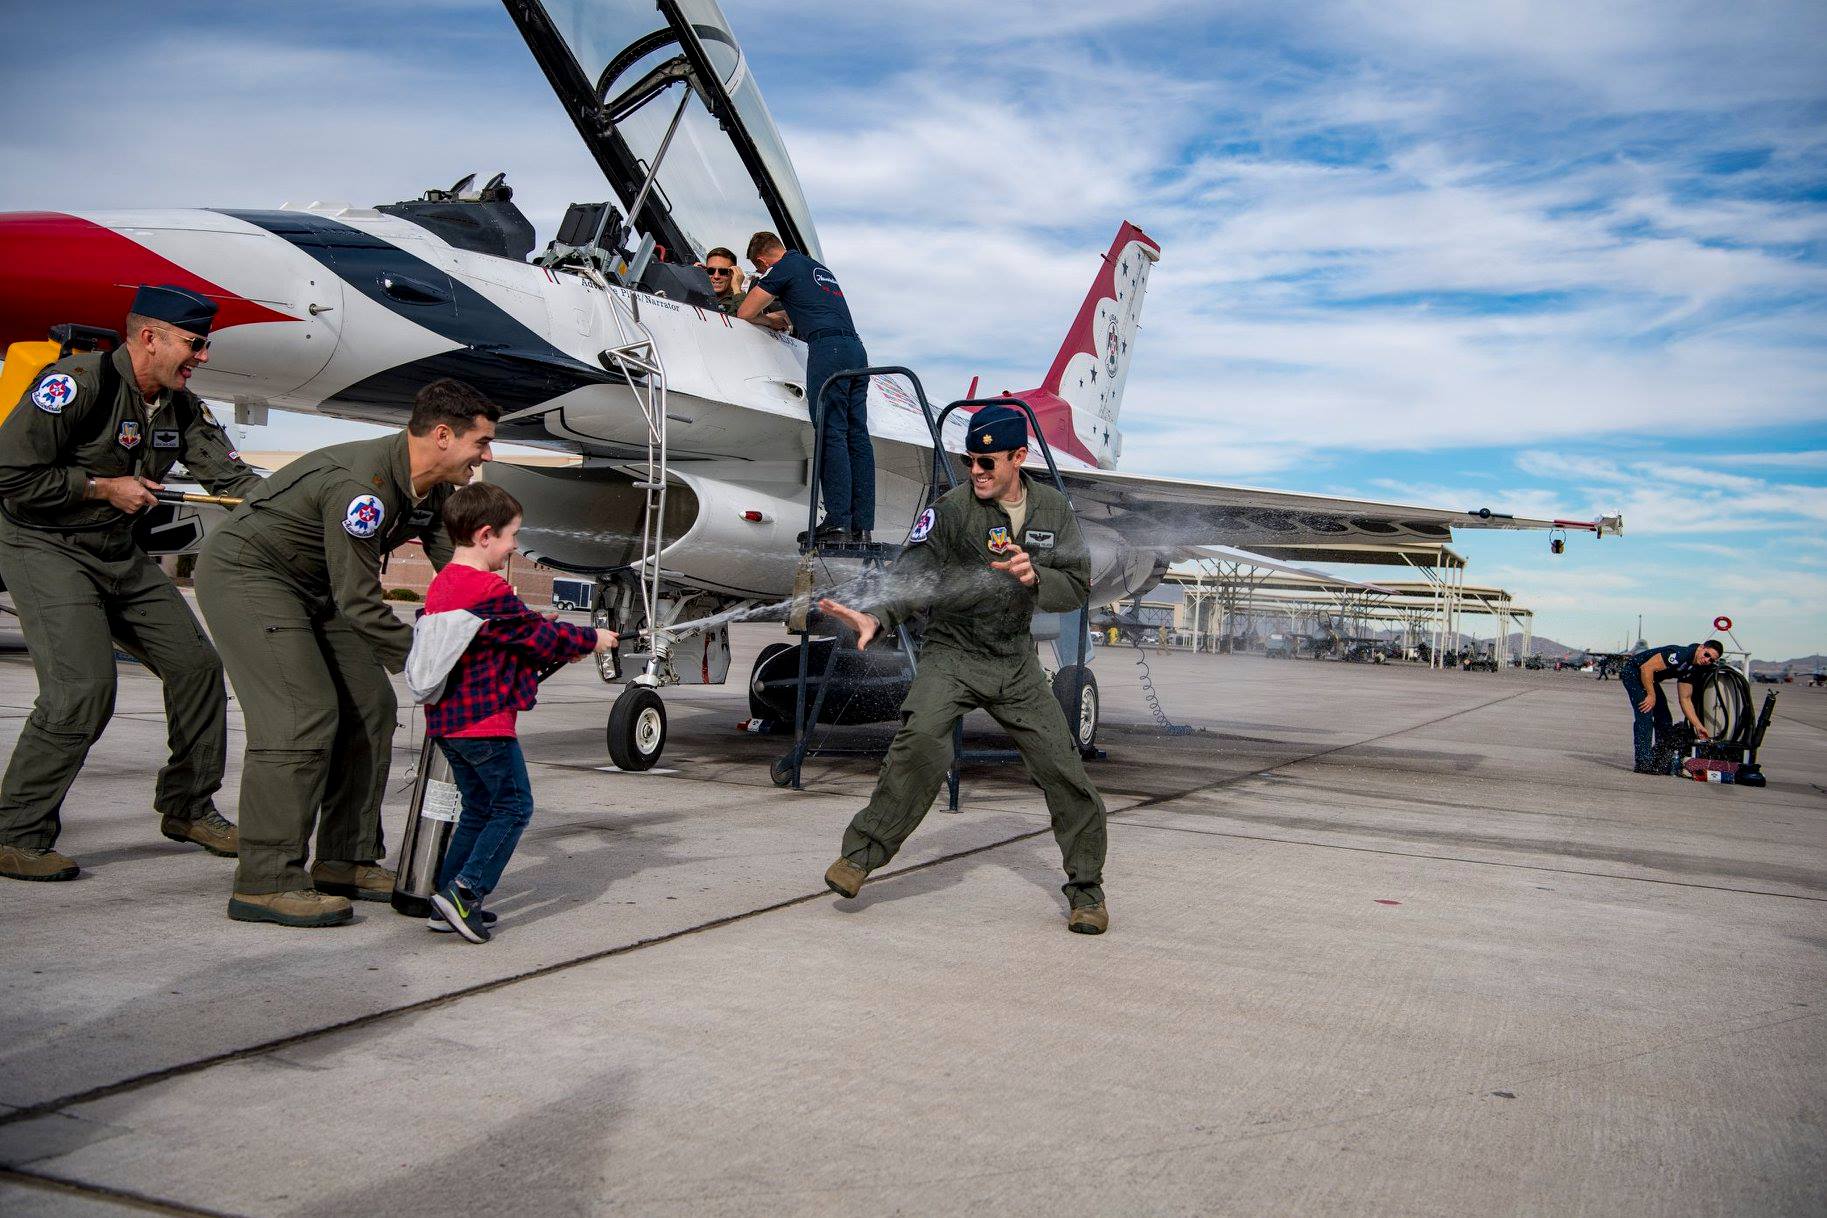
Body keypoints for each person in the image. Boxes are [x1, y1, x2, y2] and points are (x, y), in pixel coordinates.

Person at [195, 379, 496, 927]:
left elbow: (458, 572)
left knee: (370, 708)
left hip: (318, 587)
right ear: (445, 436)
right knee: (301, 715)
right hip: (251, 575)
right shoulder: (366, 487)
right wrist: (426, 660)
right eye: (481, 443)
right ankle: (266, 879)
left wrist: (503, 633)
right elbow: (361, 601)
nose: (486, 456)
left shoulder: (434, 491)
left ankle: (345, 859)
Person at [0, 285, 262, 882]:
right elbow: (10, 475)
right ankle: (15, 832)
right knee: (83, 690)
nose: (202, 357)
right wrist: (99, 487)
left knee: (196, 668)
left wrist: (312, 501)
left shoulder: (180, 406)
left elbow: (231, 477)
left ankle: (189, 808)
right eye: (194, 345)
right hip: (43, 543)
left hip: (116, 550)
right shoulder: (76, 383)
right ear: (151, 337)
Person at [815, 405, 1110, 934]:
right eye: (970, 460)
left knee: (1063, 768)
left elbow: (1077, 585)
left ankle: (1086, 890)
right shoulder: (951, 510)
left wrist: (1036, 575)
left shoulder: (1054, 511)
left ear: (1019, 458)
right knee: (923, 741)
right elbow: (915, 575)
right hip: (952, 653)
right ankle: (860, 857)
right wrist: (877, 614)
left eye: (988, 462)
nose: (976, 471)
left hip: (1015, 662)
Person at [412, 482, 614, 942]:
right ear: (485, 536)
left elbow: (503, 633)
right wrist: (590, 639)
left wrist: (540, 630)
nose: (513, 548)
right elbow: (535, 639)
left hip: (447, 722)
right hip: (484, 722)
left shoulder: (445, 582)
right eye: (511, 538)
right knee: (515, 806)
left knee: (479, 808)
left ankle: (445, 901)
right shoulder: (488, 587)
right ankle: (466, 892)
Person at [739, 231, 872, 545]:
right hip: (857, 350)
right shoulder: (817, 269)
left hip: (829, 350)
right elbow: (813, 304)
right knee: (857, 436)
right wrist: (787, 313)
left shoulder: (781, 267)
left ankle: (838, 521)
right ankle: (862, 526)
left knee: (830, 431)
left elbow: (744, 311)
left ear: (761, 261)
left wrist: (771, 321)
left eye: (758, 272)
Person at [1623, 638, 1723, 773]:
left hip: (1649, 679)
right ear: (1701, 648)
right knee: (1645, 715)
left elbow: (1685, 699)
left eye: (1711, 660)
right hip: (1634, 672)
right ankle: (1643, 762)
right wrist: (1651, 696)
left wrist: (1698, 726)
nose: (1707, 660)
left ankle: (1659, 759)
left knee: (1665, 719)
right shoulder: (1680, 654)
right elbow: (1646, 668)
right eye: (1707, 655)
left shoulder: (1693, 668)